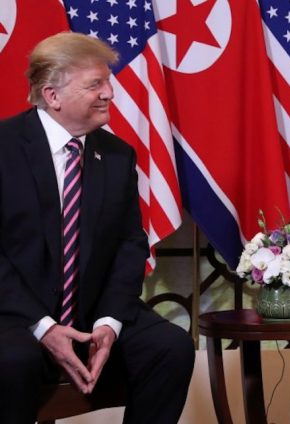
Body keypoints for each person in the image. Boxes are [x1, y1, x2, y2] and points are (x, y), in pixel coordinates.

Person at [0, 32, 194, 423]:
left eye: (107, 81)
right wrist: (45, 327)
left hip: (91, 311)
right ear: (52, 95)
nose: (109, 93)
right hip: (14, 313)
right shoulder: (4, 146)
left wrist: (109, 322)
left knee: (169, 346)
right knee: (13, 361)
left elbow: (130, 244)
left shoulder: (117, 154)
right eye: (95, 84)